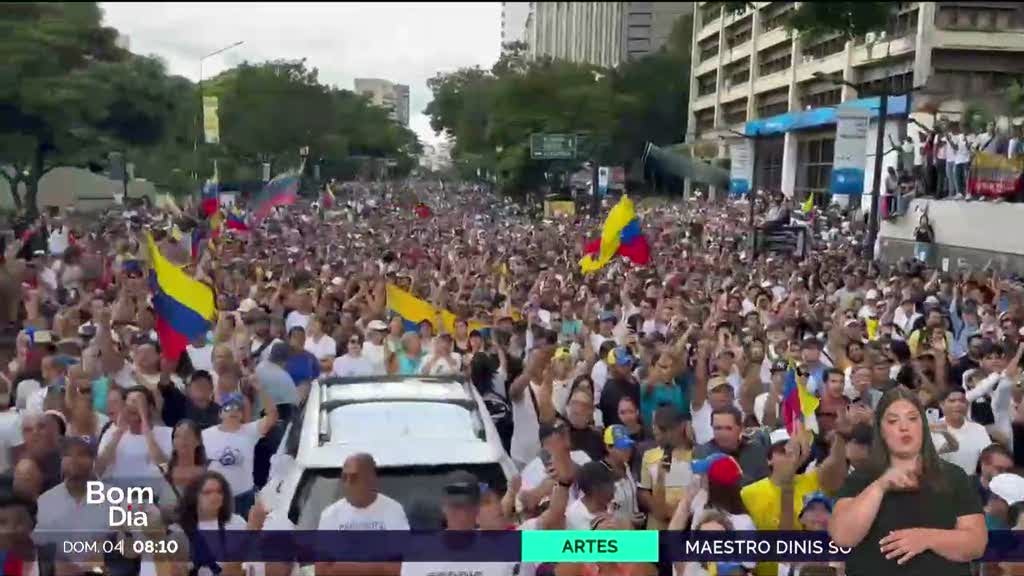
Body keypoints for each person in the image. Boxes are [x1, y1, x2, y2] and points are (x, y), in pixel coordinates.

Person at [829, 387, 986, 574]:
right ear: (881, 430)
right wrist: (880, 486)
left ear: (923, 426)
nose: (904, 427)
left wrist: (927, 538)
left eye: (912, 419)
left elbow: (976, 543)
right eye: (893, 421)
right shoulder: (861, 477)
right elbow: (843, 536)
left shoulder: (953, 476)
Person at [400, 470, 518, 576]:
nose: (461, 513)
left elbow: (535, 531)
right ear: (444, 507)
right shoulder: (417, 555)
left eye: (467, 506)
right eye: (456, 505)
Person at [317, 453, 410, 576]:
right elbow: (322, 571)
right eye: (344, 478)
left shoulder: (393, 511)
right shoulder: (330, 515)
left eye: (354, 478)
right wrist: (379, 567)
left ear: (371, 479)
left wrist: (342, 567)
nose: (348, 484)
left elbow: (400, 569)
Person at [202, 382, 278, 519]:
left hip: (244, 498)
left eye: (237, 408)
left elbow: (272, 416)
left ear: (242, 415)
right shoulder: (205, 435)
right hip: (217, 499)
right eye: (228, 407)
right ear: (220, 414)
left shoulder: (250, 431)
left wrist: (260, 388)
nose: (233, 411)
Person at [95, 386, 172, 491]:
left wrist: (145, 426)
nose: (133, 406)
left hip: (154, 494)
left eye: (138, 402)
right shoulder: (112, 432)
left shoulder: (167, 433)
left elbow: (165, 468)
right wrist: (119, 432)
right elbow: (98, 470)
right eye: (129, 402)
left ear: (150, 407)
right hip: (120, 494)